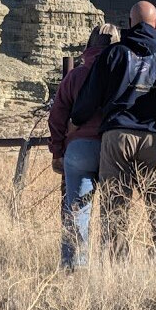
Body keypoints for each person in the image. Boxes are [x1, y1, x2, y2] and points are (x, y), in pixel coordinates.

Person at [70, 0, 156, 260]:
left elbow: (90, 97)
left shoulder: (113, 54)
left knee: (115, 204)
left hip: (117, 137)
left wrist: (78, 117)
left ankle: (118, 265)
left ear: (129, 24)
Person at [48, 23, 121, 269]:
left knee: (77, 213)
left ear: (89, 45)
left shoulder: (75, 75)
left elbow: (57, 116)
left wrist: (57, 152)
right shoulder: (122, 73)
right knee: (114, 213)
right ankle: (112, 268)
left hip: (79, 149)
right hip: (114, 149)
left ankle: (74, 269)